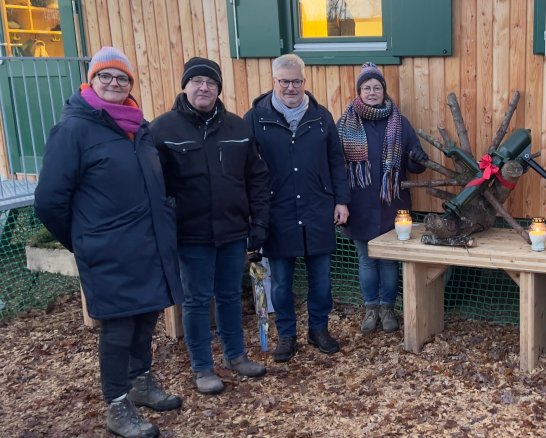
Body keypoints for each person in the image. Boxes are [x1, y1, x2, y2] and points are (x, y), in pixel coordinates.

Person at [35, 46, 182, 438]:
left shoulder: (138, 128)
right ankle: (117, 405)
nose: (114, 83)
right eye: (106, 76)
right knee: (118, 329)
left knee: (145, 318)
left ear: (130, 84)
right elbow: (50, 200)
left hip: (148, 247)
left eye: (122, 78)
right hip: (108, 251)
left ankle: (140, 381)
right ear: (92, 81)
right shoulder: (74, 130)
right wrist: (83, 240)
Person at [150, 56, 271, 395]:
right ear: (185, 86)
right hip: (191, 234)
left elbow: (257, 178)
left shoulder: (237, 127)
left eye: (211, 83)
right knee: (197, 300)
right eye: (197, 82)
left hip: (233, 229)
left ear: (218, 89)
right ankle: (202, 367)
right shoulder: (162, 130)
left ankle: (235, 355)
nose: (204, 88)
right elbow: (155, 186)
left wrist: (258, 223)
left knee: (231, 295)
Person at [245, 54, 350, 362]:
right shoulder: (255, 118)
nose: (291, 88)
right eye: (284, 82)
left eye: (296, 81)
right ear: (273, 81)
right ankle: (286, 335)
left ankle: (319, 330)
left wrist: (341, 200)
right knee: (280, 283)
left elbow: (336, 161)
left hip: (318, 207)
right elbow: (246, 169)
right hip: (276, 212)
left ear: (305, 81)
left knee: (321, 280)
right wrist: (252, 211)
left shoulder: (321, 117)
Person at [336, 62, 428, 334]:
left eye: (377, 87)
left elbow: (415, 162)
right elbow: (335, 165)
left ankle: (388, 309)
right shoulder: (344, 124)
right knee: (366, 259)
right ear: (359, 91)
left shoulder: (399, 122)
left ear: (384, 91)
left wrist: (418, 159)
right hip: (359, 204)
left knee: (388, 260)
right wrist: (340, 201)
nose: (372, 92)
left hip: (392, 205)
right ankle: (371, 309)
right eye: (367, 87)